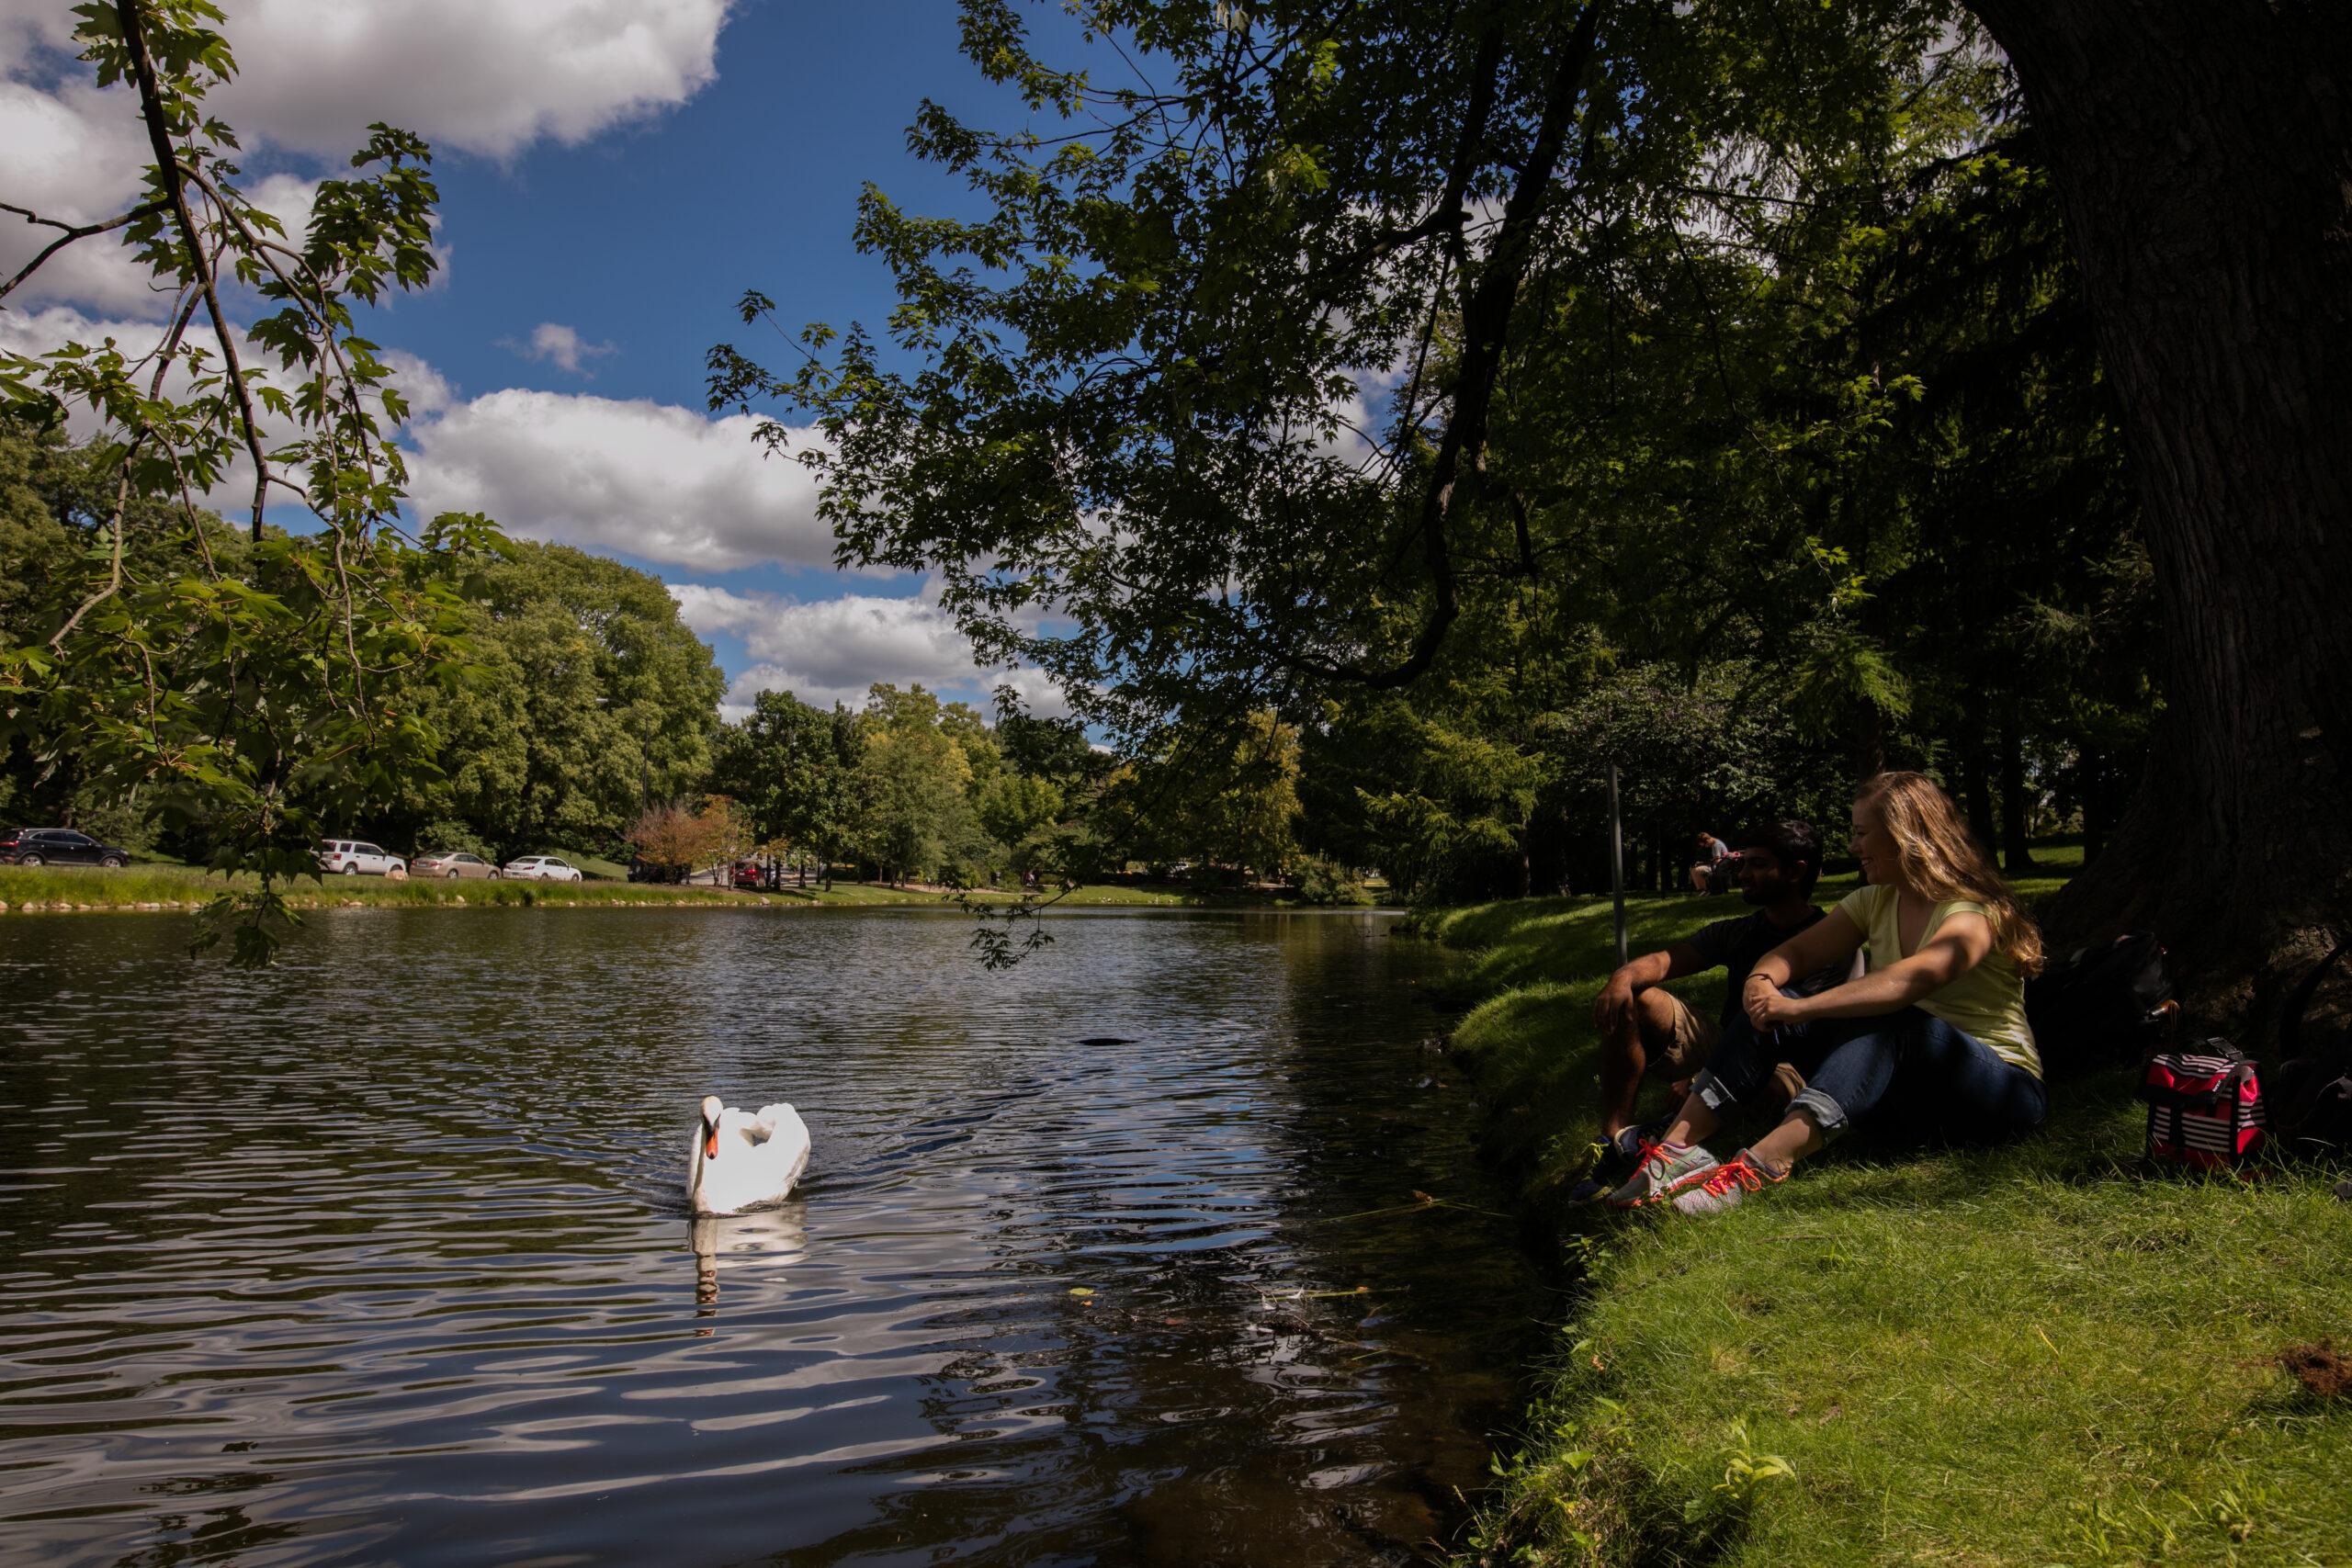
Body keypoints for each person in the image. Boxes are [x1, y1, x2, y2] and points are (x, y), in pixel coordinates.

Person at [1608, 772, 2044, 1213]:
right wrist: (1762, 983)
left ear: (1903, 837)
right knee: (1790, 1007)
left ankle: (1756, 1168)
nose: (1853, 847)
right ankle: (1677, 1150)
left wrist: (1803, 1009)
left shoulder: (1973, 915)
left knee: (1890, 1017)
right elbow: (1791, 954)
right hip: (1908, 1102)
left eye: (1860, 834)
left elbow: (1911, 981)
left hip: (2000, 1098)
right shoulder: (1874, 900)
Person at [1577, 819, 1849, 1202]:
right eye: (1744, 863)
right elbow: (1665, 960)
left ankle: (1668, 1132)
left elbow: (1789, 1024)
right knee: (1637, 998)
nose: (1743, 873)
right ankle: (1613, 1140)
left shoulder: (1831, 939)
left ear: (1794, 872)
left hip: (1791, 1068)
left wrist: (1702, 1078)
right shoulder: (1739, 931)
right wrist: (1623, 977)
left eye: (1757, 864)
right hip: (1729, 1046)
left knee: (1769, 1080)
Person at [1688, 830, 1732, 895]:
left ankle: (1702, 891)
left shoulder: (1716, 845)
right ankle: (1702, 890)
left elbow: (1717, 861)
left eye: (1705, 845)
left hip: (1719, 867)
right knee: (1695, 870)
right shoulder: (1715, 844)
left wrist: (1702, 863)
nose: (1706, 847)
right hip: (1720, 866)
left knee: (1695, 870)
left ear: (1707, 841)